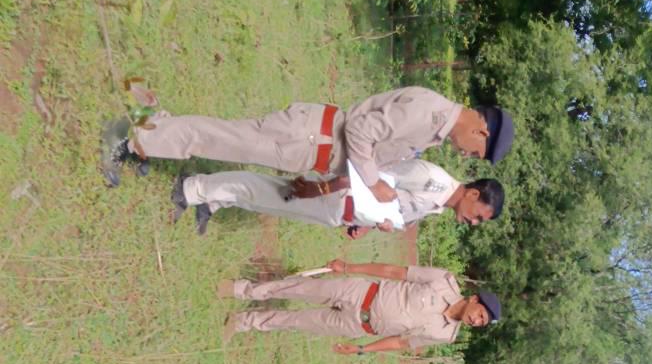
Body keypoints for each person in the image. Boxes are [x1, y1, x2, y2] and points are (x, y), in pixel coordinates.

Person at [101, 86, 514, 192]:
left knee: (224, 137)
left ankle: (153, 128)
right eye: (477, 152)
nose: (469, 155)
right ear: (482, 130)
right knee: (219, 140)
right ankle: (128, 140)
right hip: (309, 137)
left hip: (312, 146)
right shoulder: (429, 113)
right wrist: (373, 183)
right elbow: (360, 131)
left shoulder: (435, 128)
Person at [169, 158, 504, 237]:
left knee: (263, 198)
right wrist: (322, 188)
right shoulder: (432, 179)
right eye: (478, 215)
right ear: (473, 193)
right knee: (264, 191)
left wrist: (370, 225)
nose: (473, 222)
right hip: (335, 196)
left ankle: (212, 200)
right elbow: (372, 170)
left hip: (341, 212)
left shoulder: (439, 204)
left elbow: (392, 203)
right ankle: (191, 188)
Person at [219, 259, 501, 351]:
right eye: (480, 315)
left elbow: (402, 342)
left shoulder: (446, 335)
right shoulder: (443, 280)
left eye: (481, 323)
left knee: (296, 321)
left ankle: (242, 322)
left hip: (359, 326)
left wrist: (363, 350)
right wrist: (349, 267)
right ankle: (240, 289)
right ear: (474, 299)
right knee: (299, 288)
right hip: (361, 292)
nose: (476, 322)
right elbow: (395, 271)